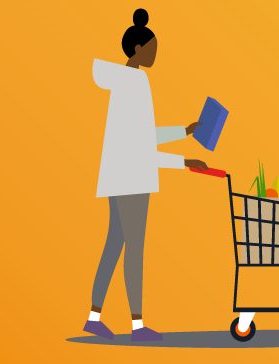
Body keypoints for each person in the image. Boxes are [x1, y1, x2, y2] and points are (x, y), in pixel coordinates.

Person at [85, 8, 209, 341]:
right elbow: (139, 147)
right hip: (132, 180)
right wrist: (184, 162)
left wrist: (183, 131)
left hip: (118, 177)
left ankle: (93, 317)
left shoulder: (126, 82)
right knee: (134, 249)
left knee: (114, 245)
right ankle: (137, 325)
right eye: (153, 48)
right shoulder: (136, 83)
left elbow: (141, 135)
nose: (156, 53)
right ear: (139, 49)